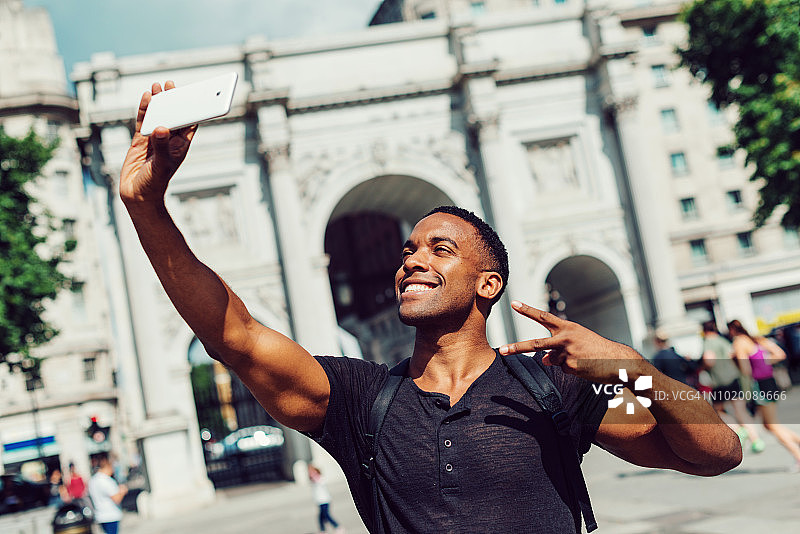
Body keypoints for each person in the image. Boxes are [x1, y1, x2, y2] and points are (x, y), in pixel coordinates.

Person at [118, 82, 741, 533]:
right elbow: (238, 336)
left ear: (488, 285)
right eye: (408, 249)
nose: (412, 260)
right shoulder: (358, 398)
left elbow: (716, 454)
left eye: (440, 249)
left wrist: (633, 367)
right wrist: (147, 208)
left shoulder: (553, 388)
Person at [727, 320, 800, 472]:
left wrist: (734, 359)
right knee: (769, 425)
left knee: (773, 425)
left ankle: (798, 456)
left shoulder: (739, 342)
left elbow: (745, 370)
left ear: (732, 330)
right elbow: (780, 354)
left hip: (759, 385)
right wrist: (764, 362)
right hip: (769, 382)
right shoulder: (757, 339)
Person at [701, 321, 765, 453]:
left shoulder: (708, 342)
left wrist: (703, 366)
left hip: (720, 382)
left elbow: (709, 360)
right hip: (734, 379)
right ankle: (756, 440)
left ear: (705, 331)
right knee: (740, 410)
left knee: (717, 411)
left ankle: (738, 429)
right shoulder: (723, 340)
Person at [88, 453, 128, 534]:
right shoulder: (107, 481)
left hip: (100, 515)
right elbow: (117, 499)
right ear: (108, 466)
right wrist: (123, 491)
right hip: (111, 515)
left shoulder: (92, 480)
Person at [308, 464, 344, 534]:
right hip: (319, 501)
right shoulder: (312, 481)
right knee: (320, 517)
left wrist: (315, 477)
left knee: (326, 515)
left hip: (325, 500)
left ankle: (337, 526)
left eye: (313, 472)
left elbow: (321, 482)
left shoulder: (320, 479)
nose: (311, 474)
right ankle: (322, 530)